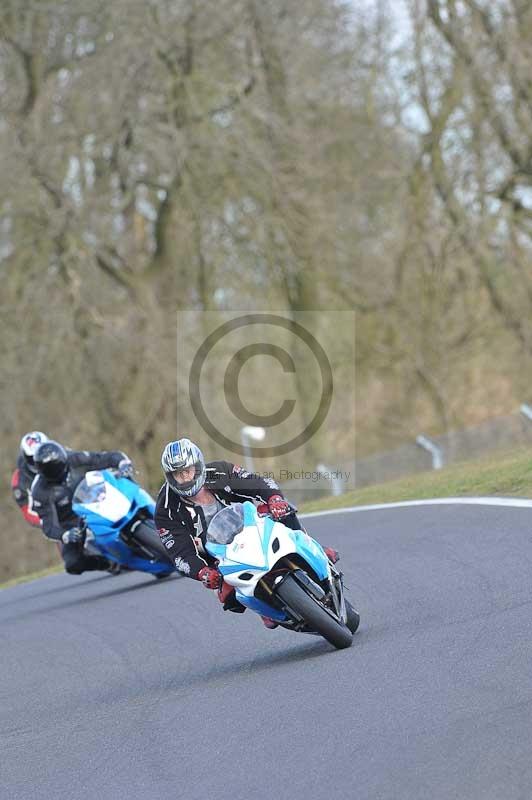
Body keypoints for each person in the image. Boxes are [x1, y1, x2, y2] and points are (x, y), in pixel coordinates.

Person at [155, 438, 339, 628]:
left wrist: (274, 499)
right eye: (178, 474)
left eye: (188, 471)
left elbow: (258, 483)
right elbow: (179, 554)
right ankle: (265, 605)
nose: (185, 478)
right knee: (229, 598)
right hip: (217, 553)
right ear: (170, 476)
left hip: (251, 525)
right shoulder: (165, 509)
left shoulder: (220, 471)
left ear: (198, 466)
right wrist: (202, 572)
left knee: (285, 511)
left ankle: (313, 548)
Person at [31, 440, 133, 576]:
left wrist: (122, 463)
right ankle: (106, 563)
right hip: (73, 524)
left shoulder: (75, 458)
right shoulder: (40, 491)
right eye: (51, 471)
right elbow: (48, 526)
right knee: (72, 564)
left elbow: (103, 458)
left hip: (97, 501)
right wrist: (65, 535)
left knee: (127, 485)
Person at [11, 431, 50, 527]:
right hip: (59, 519)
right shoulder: (19, 481)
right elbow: (28, 512)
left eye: (42, 453)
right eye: (33, 458)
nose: (39, 461)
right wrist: (49, 521)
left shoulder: (61, 455)